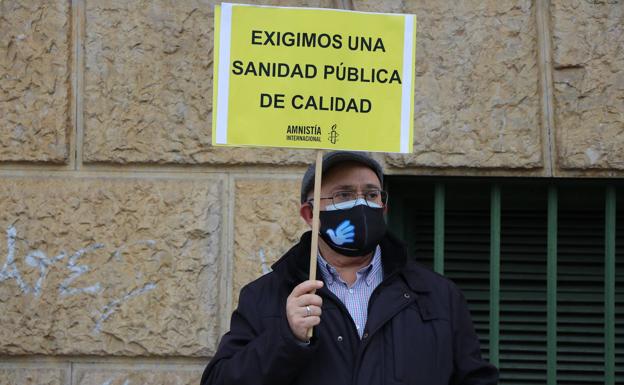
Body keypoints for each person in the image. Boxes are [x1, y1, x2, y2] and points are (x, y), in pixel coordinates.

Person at [201, 151, 498, 385]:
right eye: (343, 195)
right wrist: (285, 337)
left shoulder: (438, 295)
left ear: (384, 208)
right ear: (310, 214)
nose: (361, 204)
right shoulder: (266, 297)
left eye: (370, 195)